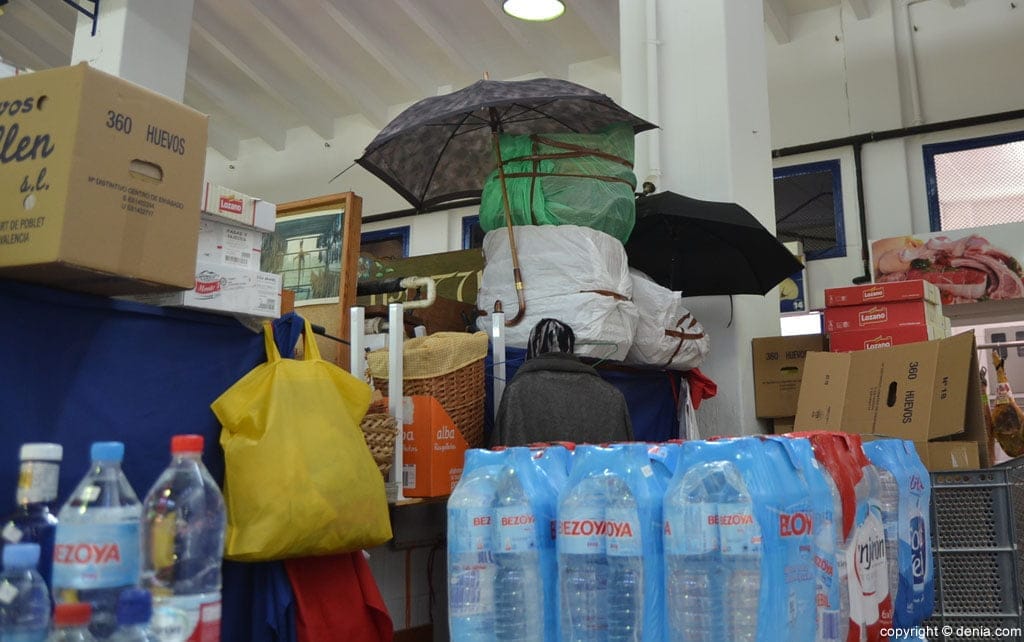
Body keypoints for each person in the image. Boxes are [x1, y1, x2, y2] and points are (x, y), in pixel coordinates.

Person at [490, 318, 633, 447]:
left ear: (532, 350)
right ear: (570, 350)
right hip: (595, 476)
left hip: (531, 476)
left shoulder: (517, 392)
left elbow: (499, 460)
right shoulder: (611, 396)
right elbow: (627, 462)